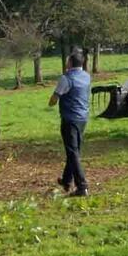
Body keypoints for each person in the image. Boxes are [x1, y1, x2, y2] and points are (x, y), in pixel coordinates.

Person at [49, 50, 91, 197]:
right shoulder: (86, 76)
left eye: (68, 61)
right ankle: (67, 180)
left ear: (71, 63)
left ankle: (82, 186)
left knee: (72, 152)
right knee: (74, 150)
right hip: (83, 118)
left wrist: (51, 102)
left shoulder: (66, 79)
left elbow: (55, 98)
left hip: (70, 118)